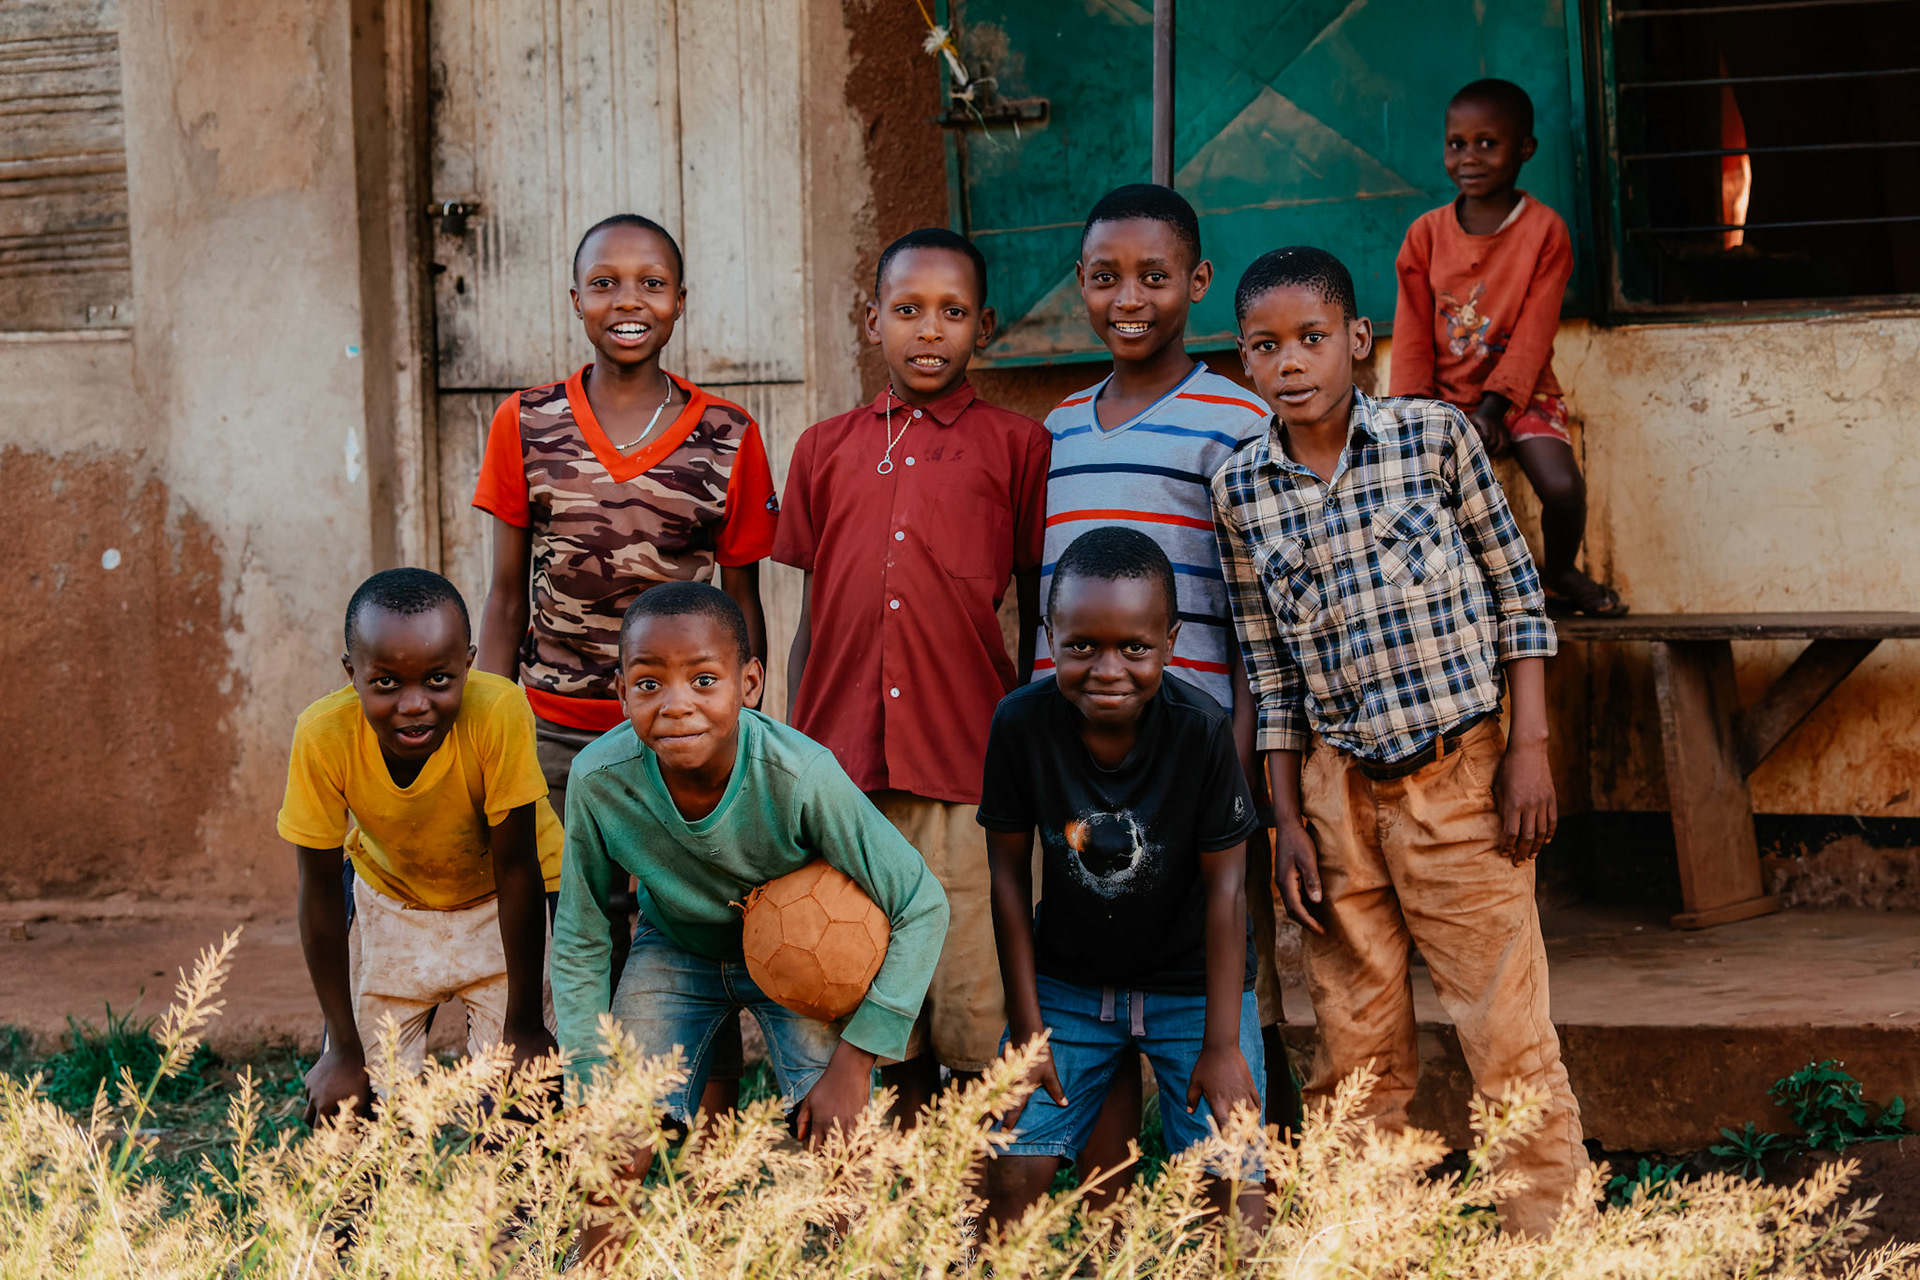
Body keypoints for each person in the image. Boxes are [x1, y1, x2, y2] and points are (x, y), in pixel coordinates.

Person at [1213, 245, 1588, 1236]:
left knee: (1506, 1037)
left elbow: (1519, 598)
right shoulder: (1240, 490)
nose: (1292, 362)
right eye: (1267, 346)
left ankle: (1544, 1244)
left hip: (1461, 776)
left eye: (1312, 339)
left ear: (1359, 342)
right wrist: (1287, 817)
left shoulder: (1434, 439)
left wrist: (1528, 747)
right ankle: (1364, 1243)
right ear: (1244, 363)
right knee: (1353, 1049)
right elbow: (1271, 669)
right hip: (1336, 798)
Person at [472, 212, 779, 1106]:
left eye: (650, 282)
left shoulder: (726, 435)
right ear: (576, 301)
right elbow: (503, 594)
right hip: (557, 733)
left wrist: (746, 734)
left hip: (685, 737)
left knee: (698, 925)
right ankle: (576, 1119)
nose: (628, 300)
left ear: (680, 302)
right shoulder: (524, 422)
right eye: (605, 283)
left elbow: (745, 603)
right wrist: (493, 725)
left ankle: (710, 1131)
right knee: (578, 929)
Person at [549, 583, 949, 1263]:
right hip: (675, 946)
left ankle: (861, 1263)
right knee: (612, 1141)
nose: (677, 704)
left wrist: (856, 1060)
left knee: (844, 1140)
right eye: (649, 683)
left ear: (750, 683)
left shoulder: (799, 775)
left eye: (705, 680)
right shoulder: (599, 778)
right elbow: (583, 932)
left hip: (799, 968)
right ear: (621, 693)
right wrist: (589, 1072)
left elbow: (922, 902)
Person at [1037, 183, 1296, 1173]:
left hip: (1194, 755)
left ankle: (1235, 1177)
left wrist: (1239, 763)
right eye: (1105, 277)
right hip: (1080, 759)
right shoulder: (1058, 427)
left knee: (1212, 971)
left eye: (1153, 275)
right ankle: (1109, 1196)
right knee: (1096, 954)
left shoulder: (1234, 419)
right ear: (1082, 286)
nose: (1128, 297)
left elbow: (1253, 612)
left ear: (1196, 282)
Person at [772, 227, 1050, 1120]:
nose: (929, 331)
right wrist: (791, 757)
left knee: (972, 1008)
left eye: (953, 313)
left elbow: (1039, 612)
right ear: (871, 321)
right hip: (841, 776)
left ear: (986, 327)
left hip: (966, 772)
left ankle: (970, 1225)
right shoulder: (822, 449)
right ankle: (894, 1224)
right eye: (907, 311)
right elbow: (811, 620)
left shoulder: (1017, 448)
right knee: (872, 1008)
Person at [981, 527, 1265, 1228]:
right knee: (1007, 1169)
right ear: (1050, 634)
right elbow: (1009, 879)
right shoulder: (1020, 724)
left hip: (1194, 990)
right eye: (1082, 647)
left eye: (1134, 649)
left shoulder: (1201, 730)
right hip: (1068, 987)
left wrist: (1224, 1045)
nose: (1109, 668)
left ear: (1169, 642)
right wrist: (1026, 1030)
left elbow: (1229, 891)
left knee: (1234, 1189)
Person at [278, 568, 563, 1120]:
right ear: (351, 673)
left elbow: (517, 871)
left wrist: (524, 1028)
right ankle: (377, 1210)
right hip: (393, 899)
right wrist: (341, 1047)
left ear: (468, 664)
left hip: (506, 903)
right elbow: (317, 892)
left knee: (523, 1095)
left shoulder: (498, 711)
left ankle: (518, 1207)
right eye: (385, 682)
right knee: (353, 1104)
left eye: (439, 680)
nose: (414, 704)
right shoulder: (323, 734)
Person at [1389, 78, 1625, 617]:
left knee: (1563, 487)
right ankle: (1458, 596)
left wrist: (1496, 407)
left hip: (1521, 396)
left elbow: (1536, 332)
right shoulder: (1424, 236)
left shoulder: (1545, 231)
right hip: (1441, 399)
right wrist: (1420, 410)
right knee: (1427, 495)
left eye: (1488, 143)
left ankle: (1560, 570)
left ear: (1525, 150)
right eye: (1457, 143)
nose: (1469, 157)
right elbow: (1411, 336)